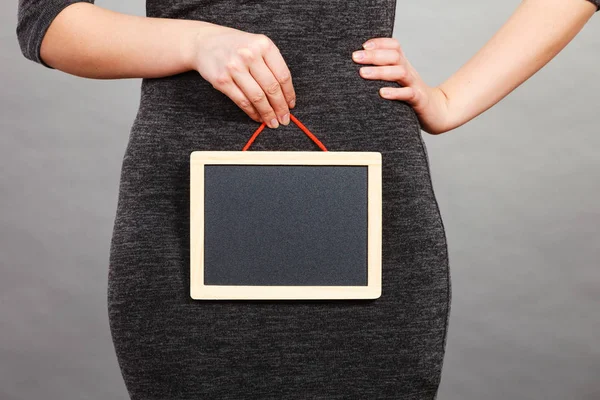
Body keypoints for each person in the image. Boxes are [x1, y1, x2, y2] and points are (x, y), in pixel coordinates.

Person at [15, 0, 599, 398]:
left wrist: (448, 100)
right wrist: (195, 41)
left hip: (366, 208)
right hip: (185, 208)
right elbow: (46, 20)